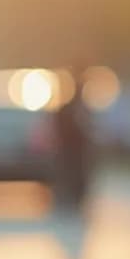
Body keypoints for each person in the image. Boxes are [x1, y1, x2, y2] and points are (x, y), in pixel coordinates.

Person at [52, 69, 95, 214]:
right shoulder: (66, 110)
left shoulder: (85, 109)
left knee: (78, 177)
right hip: (68, 152)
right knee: (69, 175)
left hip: (79, 153)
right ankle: (68, 200)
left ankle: (77, 199)